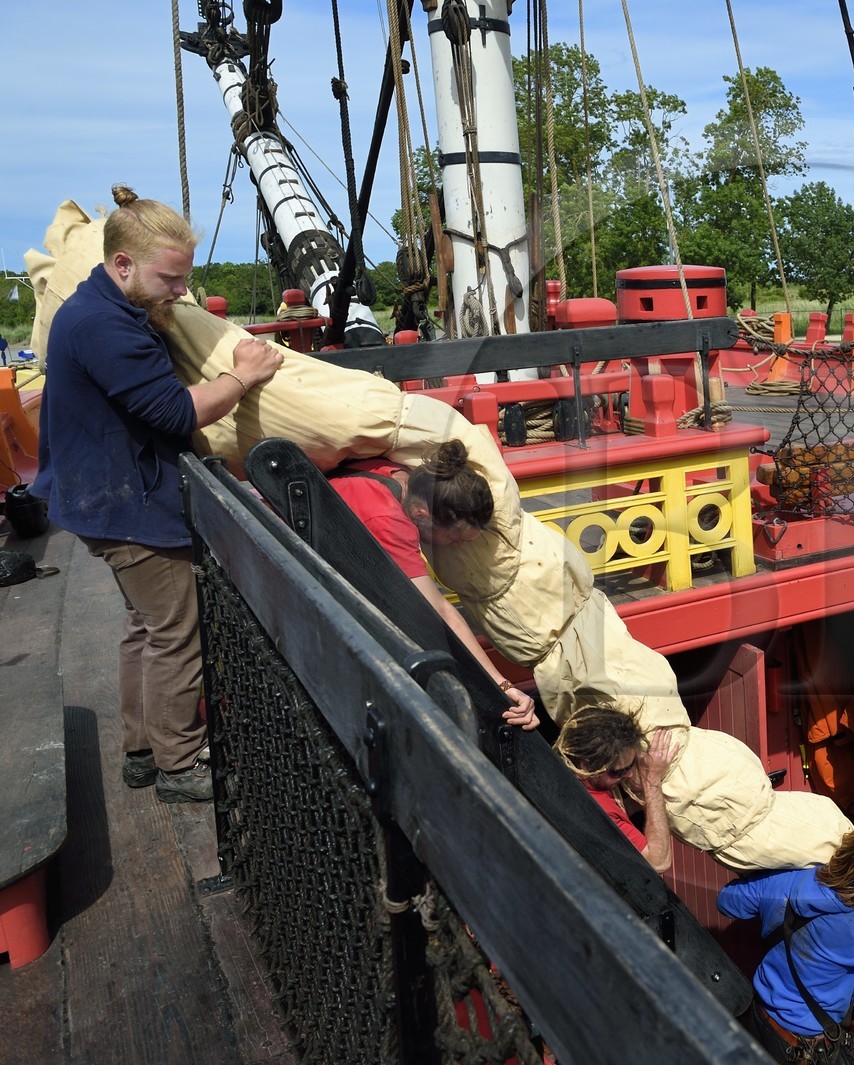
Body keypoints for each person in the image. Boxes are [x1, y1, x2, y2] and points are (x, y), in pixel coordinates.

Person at [34, 186, 284, 803]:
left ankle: (142, 750)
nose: (180, 292)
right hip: (126, 506)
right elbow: (176, 412)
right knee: (177, 632)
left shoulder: (99, 307)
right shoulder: (104, 327)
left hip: (98, 496)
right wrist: (242, 374)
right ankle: (181, 764)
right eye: (170, 279)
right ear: (122, 265)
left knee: (146, 628)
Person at [326, 439, 539, 727]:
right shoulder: (389, 521)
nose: (456, 547)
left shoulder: (400, 475)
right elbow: (439, 611)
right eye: (454, 539)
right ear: (422, 515)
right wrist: (502, 685)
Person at [718, 824, 854, 1063]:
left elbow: (727, 902)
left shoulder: (786, 879)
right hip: (802, 1050)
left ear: (839, 854)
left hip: (760, 1018)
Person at [552, 705, 680, 872]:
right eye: (618, 772)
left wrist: (636, 805)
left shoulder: (565, 769)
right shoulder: (593, 808)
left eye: (632, 765)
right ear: (586, 766)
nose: (628, 776)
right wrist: (651, 779)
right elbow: (658, 862)